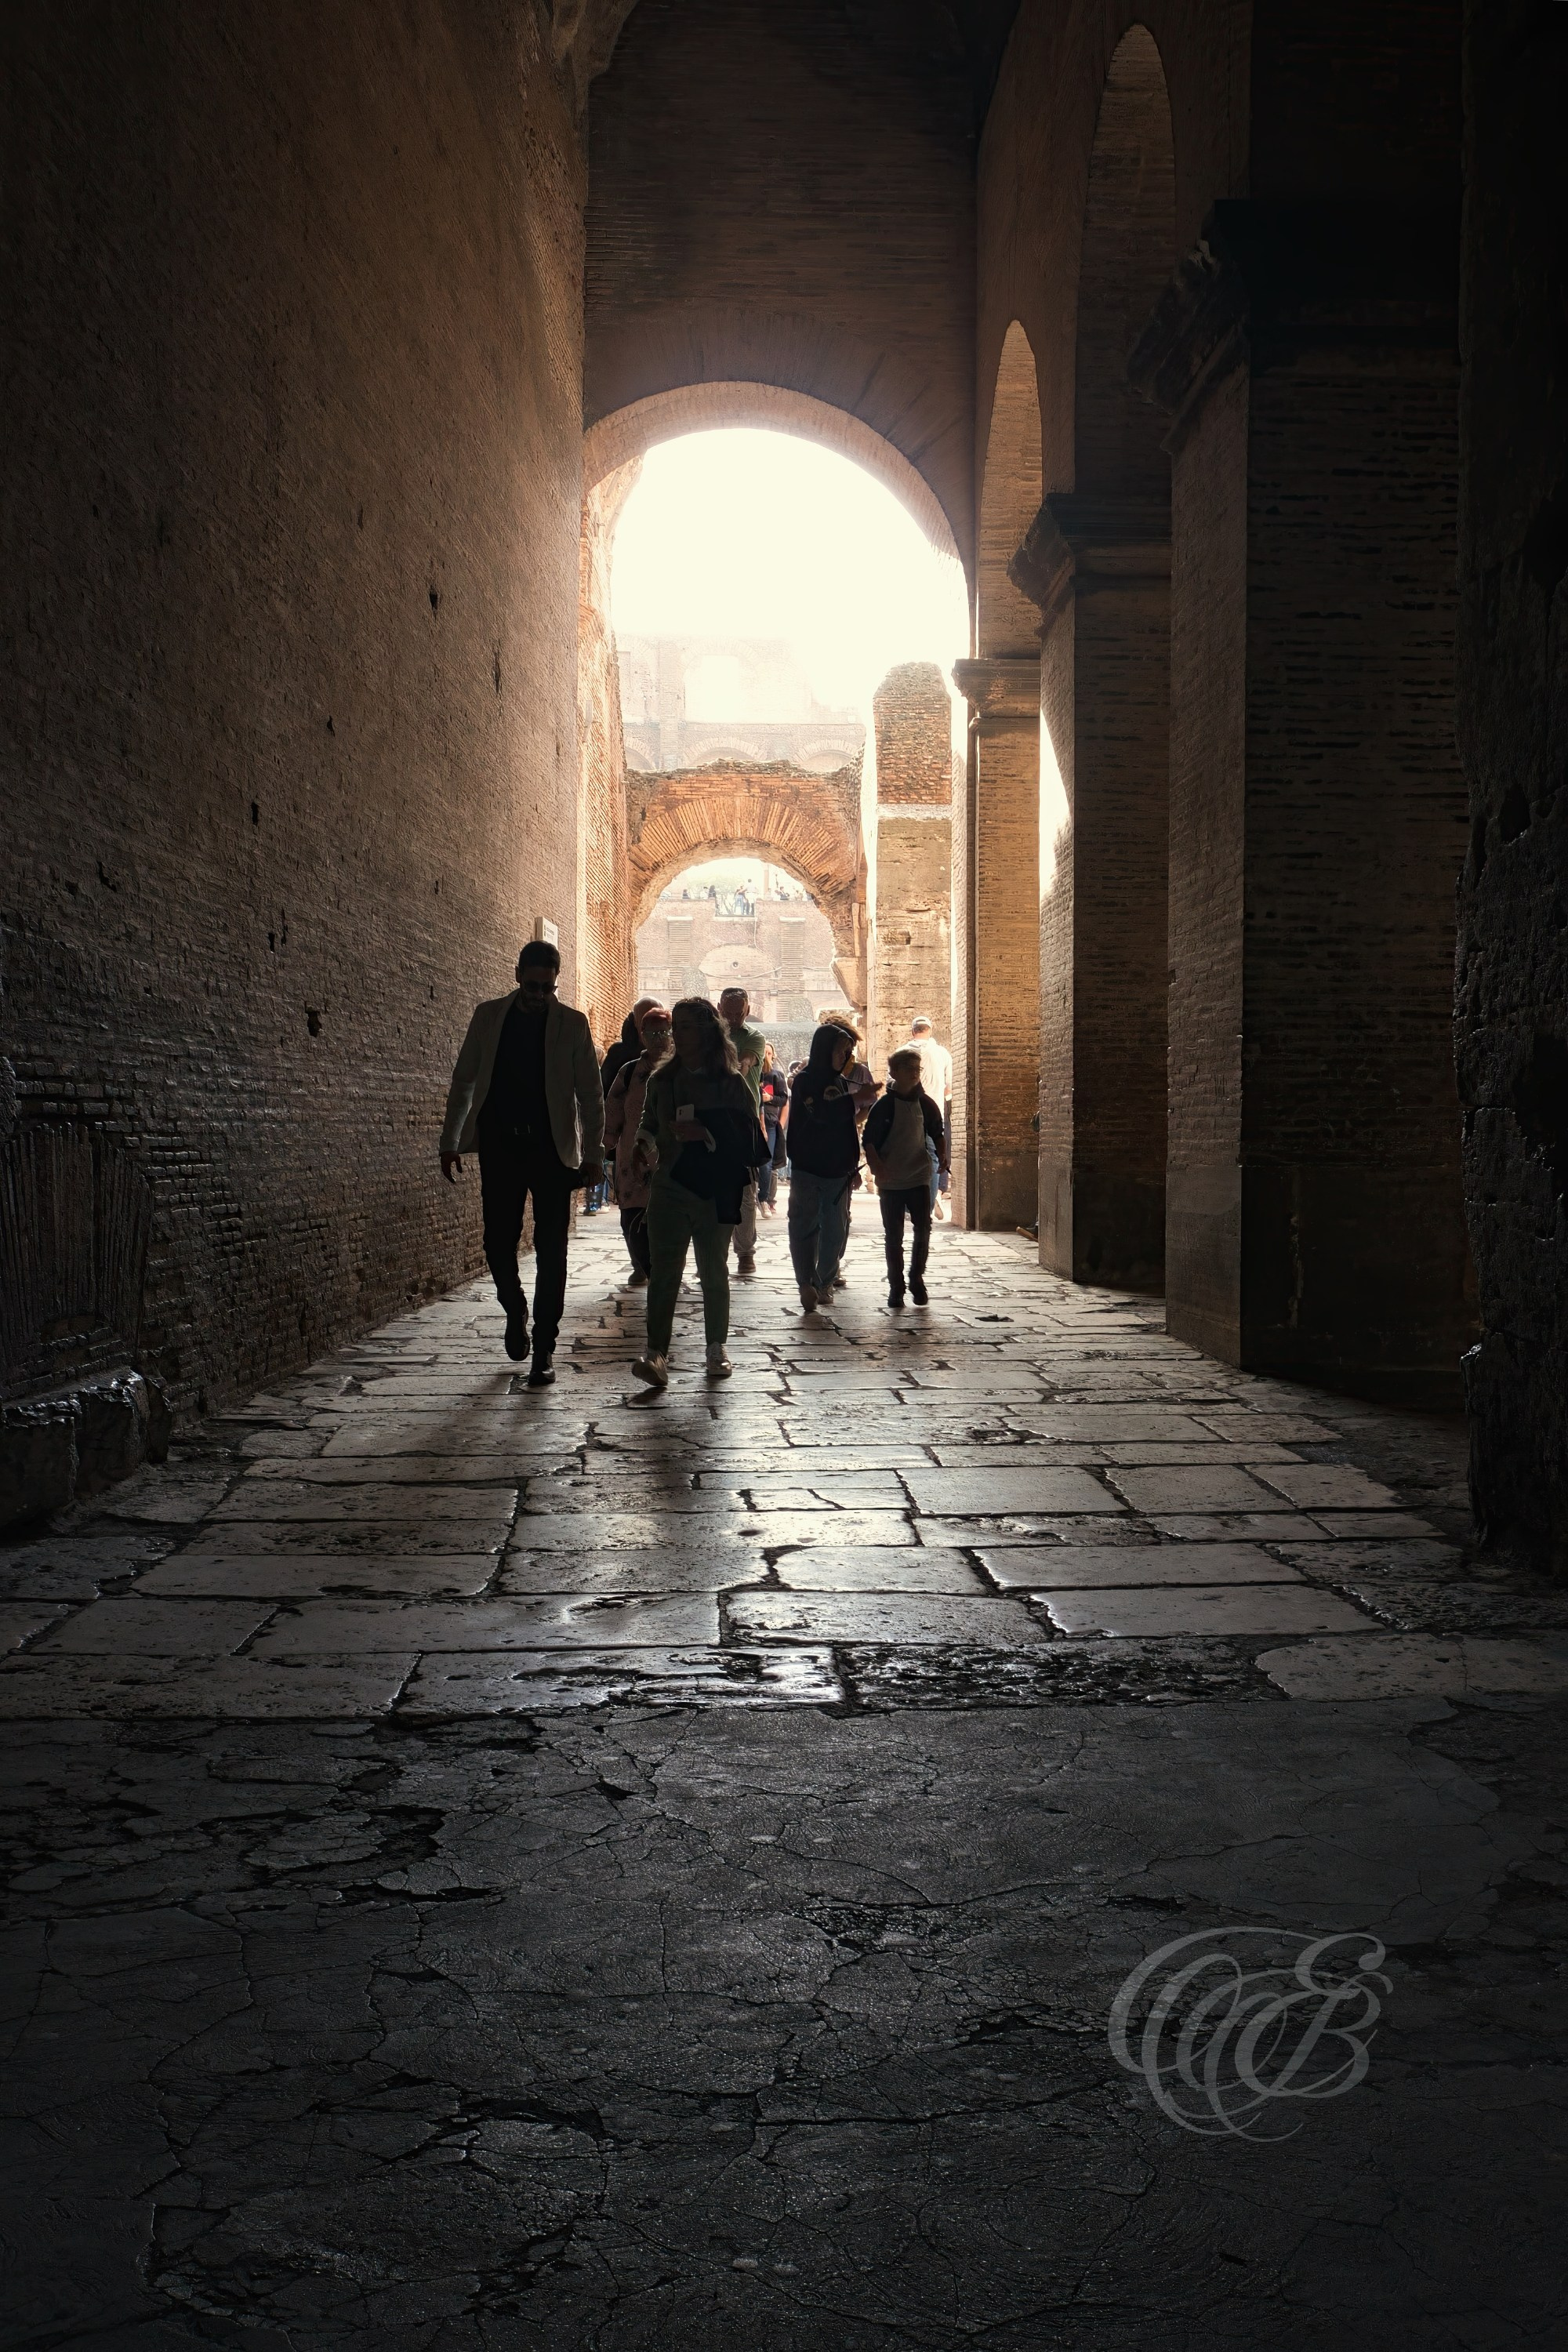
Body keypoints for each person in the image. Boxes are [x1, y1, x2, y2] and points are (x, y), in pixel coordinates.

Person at [440, 939, 604, 1386]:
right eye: (532, 986)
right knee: (497, 1242)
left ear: (556, 984)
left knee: (553, 1249)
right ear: (517, 975)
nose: (539, 995)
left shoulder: (573, 1024)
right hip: (500, 1146)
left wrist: (593, 1157)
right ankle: (515, 1308)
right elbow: (464, 1079)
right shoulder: (488, 1016)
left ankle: (545, 1347)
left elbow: (590, 1095)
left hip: (552, 1151)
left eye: (548, 988)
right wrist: (449, 1140)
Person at [630, 997, 768, 1388]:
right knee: (663, 1274)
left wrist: (706, 1133)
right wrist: (642, 1146)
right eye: (678, 1026)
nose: (677, 1034)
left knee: (713, 1271)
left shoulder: (730, 1082)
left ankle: (716, 1348)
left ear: (708, 1031)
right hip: (670, 1187)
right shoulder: (663, 1079)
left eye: (687, 1026)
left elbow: (749, 1140)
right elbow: (651, 1119)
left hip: (713, 1189)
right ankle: (656, 1352)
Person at [786, 1021, 862, 1311]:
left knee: (835, 1230)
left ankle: (824, 1281)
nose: (846, 1058)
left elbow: (843, 1129)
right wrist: (857, 1101)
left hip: (837, 1172)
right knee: (804, 1227)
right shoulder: (806, 1080)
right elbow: (820, 1113)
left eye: (849, 1053)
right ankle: (805, 1281)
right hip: (808, 1167)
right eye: (843, 1051)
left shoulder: (840, 1081)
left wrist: (852, 1166)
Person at [864, 1048, 948, 1308]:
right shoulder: (884, 1106)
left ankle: (916, 1278)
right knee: (894, 1235)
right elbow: (869, 1141)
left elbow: (937, 1131)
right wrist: (877, 1166)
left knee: (923, 1229)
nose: (915, 1073)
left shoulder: (926, 1104)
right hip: (891, 1180)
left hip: (919, 1175)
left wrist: (943, 1156)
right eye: (909, 1069)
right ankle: (896, 1286)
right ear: (894, 1073)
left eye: (917, 1069)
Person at [601, 1002, 670, 1289]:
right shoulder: (629, 1072)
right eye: (651, 1033)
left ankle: (663, 1268)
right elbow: (613, 1110)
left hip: (669, 1158)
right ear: (641, 1035)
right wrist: (603, 1148)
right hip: (632, 1157)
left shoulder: (681, 1071)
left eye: (663, 1033)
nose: (658, 1039)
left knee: (667, 1216)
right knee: (631, 1212)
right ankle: (640, 1263)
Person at [717, 985, 768, 1276]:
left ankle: (746, 1252)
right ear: (720, 1008)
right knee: (714, 1188)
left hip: (742, 1120)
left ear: (747, 1011)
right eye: (729, 1012)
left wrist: (736, 1067)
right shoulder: (711, 1035)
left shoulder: (754, 1037)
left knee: (746, 1192)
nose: (734, 1018)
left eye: (740, 1012)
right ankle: (716, 1250)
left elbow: (746, 1063)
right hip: (712, 1118)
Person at [908, 1014, 953, 1220]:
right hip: (934, 1112)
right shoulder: (942, 1053)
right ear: (930, 1030)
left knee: (909, 1156)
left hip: (908, 1114)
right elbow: (949, 1087)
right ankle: (930, 1199)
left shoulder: (903, 1052)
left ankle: (911, 1204)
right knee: (934, 1157)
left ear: (912, 1031)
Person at [757, 1043, 789, 1214]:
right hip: (753, 1121)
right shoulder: (753, 1073)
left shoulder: (777, 1076)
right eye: (763, 1052)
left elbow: (783, 1099)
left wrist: (770, 1098)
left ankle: (764, 1199)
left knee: (767, 1164)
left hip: (769, 1123)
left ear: (773, 1056)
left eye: (769, 1053)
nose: (766, 1056)